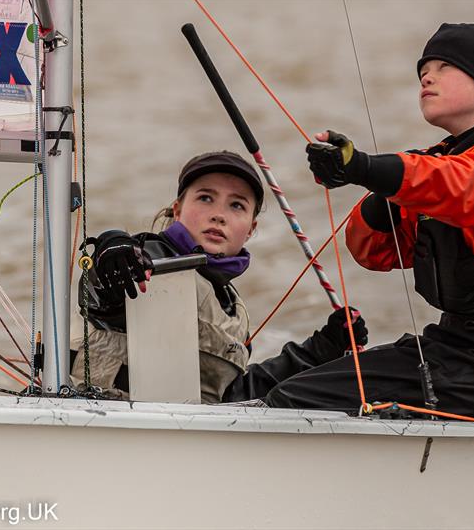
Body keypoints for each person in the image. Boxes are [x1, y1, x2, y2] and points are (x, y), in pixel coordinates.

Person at [264, 23, 474, 423]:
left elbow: (461, 187)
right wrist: (381, 189)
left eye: (445, 66)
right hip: (454, 351)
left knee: (294, 397)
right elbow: (371, 251)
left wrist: (365, 167)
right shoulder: (440, 163)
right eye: (424, 69)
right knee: (294, 387)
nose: (428, 76)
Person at [70, 150, 368, 403]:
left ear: (251, 229)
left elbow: (234, 398)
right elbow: (100, 295)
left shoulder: (235, 312)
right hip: (106, 427)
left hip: (189, 442)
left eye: (236, 205)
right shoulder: (150, 258)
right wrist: (111, 247)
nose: (219, 214)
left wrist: (319, 350)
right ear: (177, 210)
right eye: (205, 198)